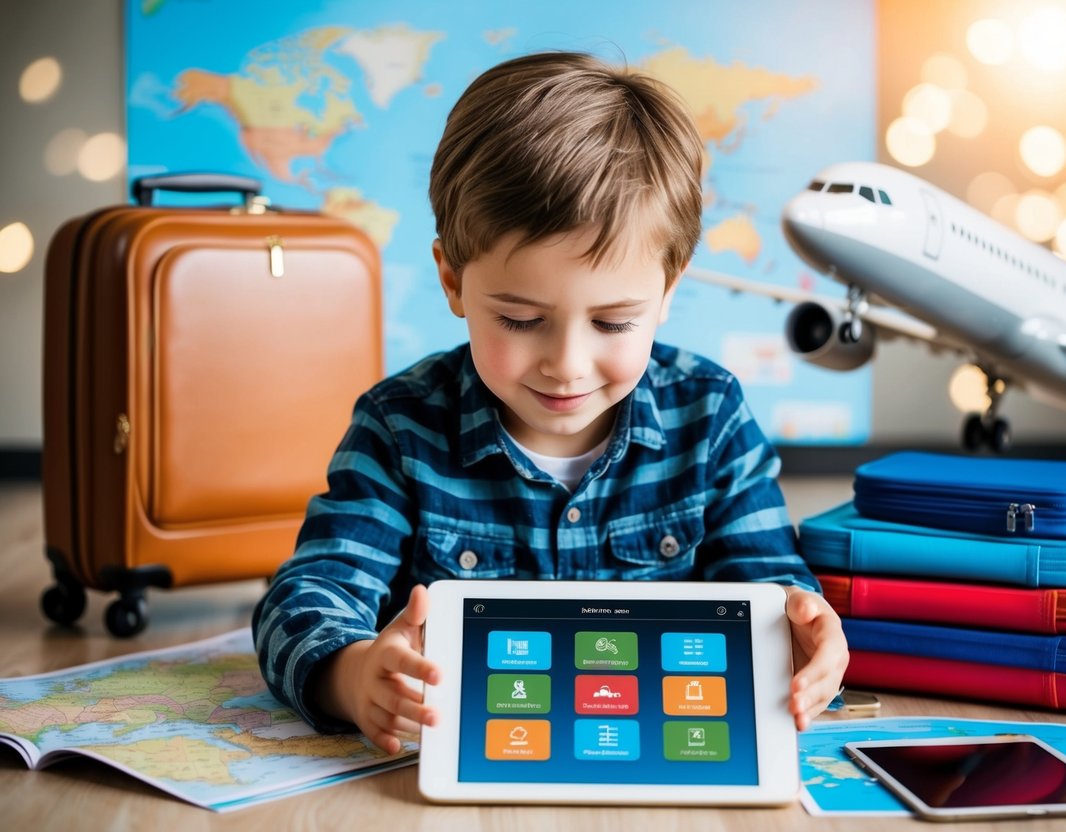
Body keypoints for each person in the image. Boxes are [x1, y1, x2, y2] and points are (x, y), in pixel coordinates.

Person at [253, 50, 848, 755]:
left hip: (652, 743)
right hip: (467, 752)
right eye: (519, 319)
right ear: (451, 279)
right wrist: (351, 678)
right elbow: (309, 598)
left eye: (613, 322)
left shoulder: (709, 415)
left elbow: (770, 582)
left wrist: (804, 629)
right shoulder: (400, 426)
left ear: (668, 290)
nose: (566, 365)